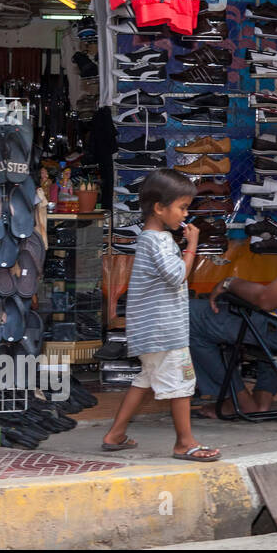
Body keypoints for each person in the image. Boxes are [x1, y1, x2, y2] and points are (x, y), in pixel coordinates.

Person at [101, 170, 220, 461]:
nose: (186, 215)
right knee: (181, 383)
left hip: (151, 330)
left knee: (144, 379)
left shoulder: (150, 239)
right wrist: (193, 245)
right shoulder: (159, 240)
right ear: (159, 208)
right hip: (164, 332)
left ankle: (115, 434)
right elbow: (177, 275)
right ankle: (185, 443)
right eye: (182, 207)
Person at [189, 243, 277, 417]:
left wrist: (229, 283)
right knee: (268, 318)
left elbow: (266, 299)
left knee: (188, 315)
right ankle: (262, 399)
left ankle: (238, 401)